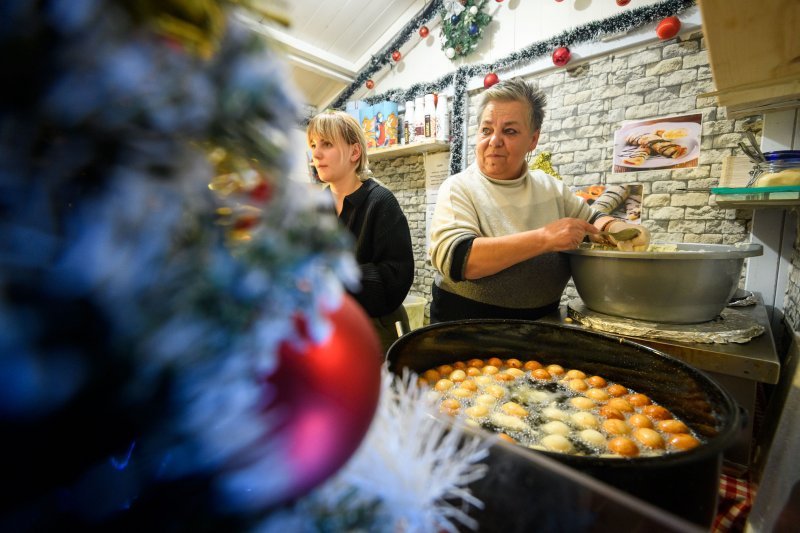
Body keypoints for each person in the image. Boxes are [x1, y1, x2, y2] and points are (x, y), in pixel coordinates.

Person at [428, 77, 649, 323]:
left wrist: (616, 228)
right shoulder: (459, 188)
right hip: (466, 329)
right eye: (486, 130)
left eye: (509, 131)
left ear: (533, 139)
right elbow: (461, 260)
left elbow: (592, 220)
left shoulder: (550, 187)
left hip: (542, 326)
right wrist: (545, 238)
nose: (494, 141)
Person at [307, 110, 414, 352]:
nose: (316, 153)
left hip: (379, 329)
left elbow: (396, 277)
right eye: (313, 144)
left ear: (354, 152)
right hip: (333, 327)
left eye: (327, 144)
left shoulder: (381, 201)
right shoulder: (317, 207)